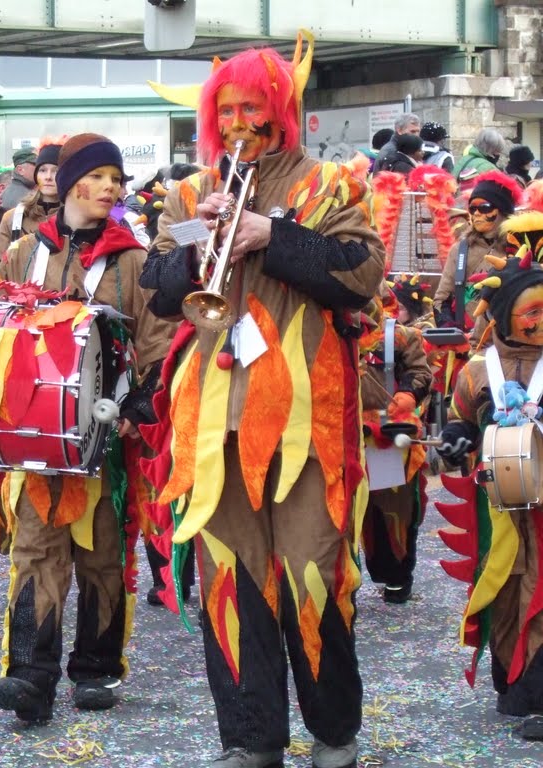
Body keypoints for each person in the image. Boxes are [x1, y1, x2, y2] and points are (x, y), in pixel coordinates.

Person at [140, 36, 384, 768]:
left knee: (312, 570)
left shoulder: (331, 184)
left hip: (308, 420)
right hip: (217, 418)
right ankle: (250, 737)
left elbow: (361, 272)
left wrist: (270, 235)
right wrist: (197, 248)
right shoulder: (188, 194)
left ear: (281, 112)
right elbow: (156, 286)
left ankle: (333, 730)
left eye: (254, 109)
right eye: (229, 111)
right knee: (230, 573)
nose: (241, 122)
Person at [0, 133, 176, 723]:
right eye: (99, 177)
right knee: (36, 549)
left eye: (117, 180)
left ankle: (95, 669)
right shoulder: (23, 252)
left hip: (106, 432)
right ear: (69, 184)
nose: (112, 188)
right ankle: (29, 676)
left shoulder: (133, 260)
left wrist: (137, 408)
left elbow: (160, 343)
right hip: (39, 438)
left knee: (101, 554)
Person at [437, 253, 543, 742]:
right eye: (532, 313)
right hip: (498, 505)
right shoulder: (479, 370)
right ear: (503, 316)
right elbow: (457, 417)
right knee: (503, 588)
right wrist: (457, 436)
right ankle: (514, 683)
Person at [358, 294, 432, 605]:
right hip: (333, 431)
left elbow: (420, 372)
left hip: (384, 434)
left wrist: (408, 394)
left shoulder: (399, 335)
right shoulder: (323, 331)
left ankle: (396, 577)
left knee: (388, 511)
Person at [434, 171, 521, 330]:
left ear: (503, 211)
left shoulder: (521, 248)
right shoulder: (460, 249)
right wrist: (447, 327)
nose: (477, 214)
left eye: (485, 207)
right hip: (466, 337)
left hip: (507, 339)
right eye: (472, 208)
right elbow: (442, 298)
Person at [0, 142, 63, 288]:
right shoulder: (13, 218)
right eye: (43, 170)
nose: (48, 177)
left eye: (55, 171)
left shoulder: (74, 220)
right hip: (21, 304)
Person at [453, 128, 505, 195]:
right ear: (491, 149)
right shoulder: (489, 168)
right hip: (472, 203)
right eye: (498, 151)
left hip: (453, 203)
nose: (499, 154)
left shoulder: (463, 160)